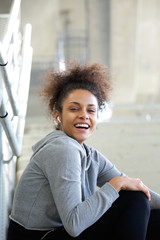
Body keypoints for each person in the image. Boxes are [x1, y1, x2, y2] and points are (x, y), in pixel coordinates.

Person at [7, 62, 160, 240]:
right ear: (58, 116)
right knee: (134, 200)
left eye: (91, 110)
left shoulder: (89, 155)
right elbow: (74, 224)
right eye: (74, 108)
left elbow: (136, 187)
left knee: (152, 214)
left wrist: (121, 183)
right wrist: (115, 185)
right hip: (39, 237)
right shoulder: (63, 150)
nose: (84, 115)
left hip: (59, 234)